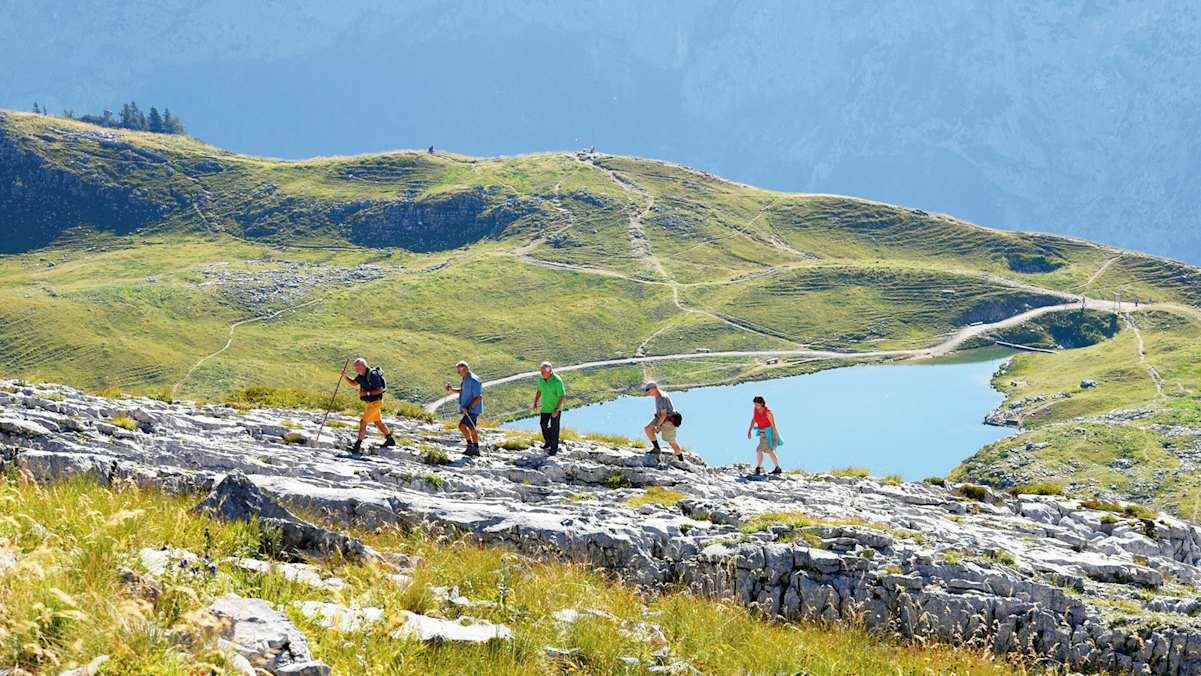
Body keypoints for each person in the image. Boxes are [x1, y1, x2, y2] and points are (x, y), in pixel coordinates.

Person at [340, 358, 395, 454]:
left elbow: (380, 390)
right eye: (355, 368)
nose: (356, 369)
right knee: (377, 421)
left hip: (376, 402)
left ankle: (357, 447)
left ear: (363, 366)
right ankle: (390, 439)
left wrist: (366, 393)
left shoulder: (372, 375)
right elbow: (354, 383)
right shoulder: (361, 375)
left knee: (363, 422)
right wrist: (345, 376)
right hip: (370, 403)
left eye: (357, 367)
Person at [445, 360, 483, 456]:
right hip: (469, 409)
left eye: (459, 371)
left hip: (472, 409)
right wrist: (452, 389)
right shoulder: (466, 378)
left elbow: (479, 397)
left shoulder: (473, 380)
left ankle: (471, 447)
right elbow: (463, 390)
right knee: (471, 428)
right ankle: (475, 448)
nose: (458, 373)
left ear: (465, 370)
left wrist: (468, 407)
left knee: (461, 426)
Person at [643, 382, 684, 461]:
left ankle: (681, 460)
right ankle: (657, 449)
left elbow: (664, 415)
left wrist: (657, 426)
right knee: (648, 429)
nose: (647, 393)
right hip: (660, 418)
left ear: (654, 389)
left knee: (672, 442)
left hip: (668, 421)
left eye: (648, 390)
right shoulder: (657, 394)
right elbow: (662, 415)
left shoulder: (662, 398)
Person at [532, 361, 566, 455]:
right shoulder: (541, 379)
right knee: (543, 425)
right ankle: (548, 442)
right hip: (545, 407)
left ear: (550, 371)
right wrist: (535, 402)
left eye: (543, 372)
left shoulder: (557, 381)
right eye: (541, 372)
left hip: (555, 408)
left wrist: (556, 410)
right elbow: (539, 390)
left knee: (554, 428)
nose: (542, 374)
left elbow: (562, 396)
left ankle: (553, 449)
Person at [746, 395, 783, 475]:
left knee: (760, 450)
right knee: (768, 451)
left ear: (762, 403)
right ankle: (777, 468)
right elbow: (754, 419)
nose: (755, 406)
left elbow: (773, 425)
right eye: (754, 404)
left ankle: (758, 468)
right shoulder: (756, 409)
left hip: (768, 433)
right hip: (762, 433)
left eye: (757, 404)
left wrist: (774, 437)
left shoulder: (768, 412)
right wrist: (749, 430)